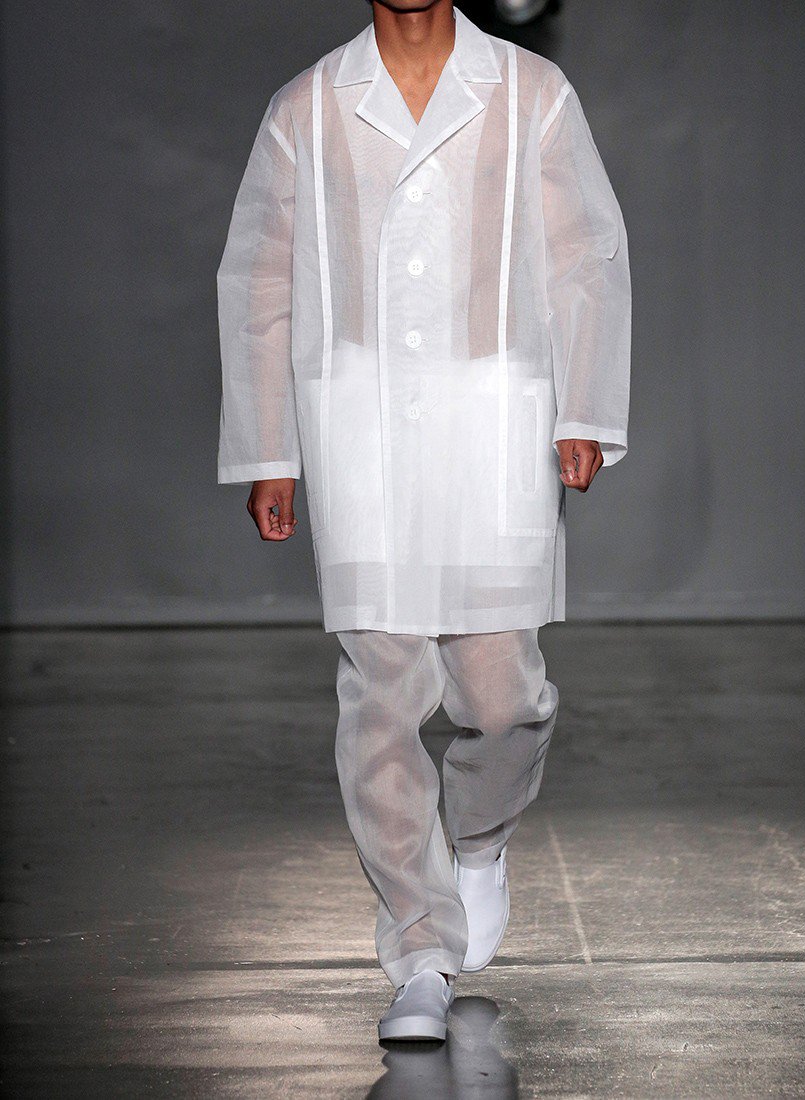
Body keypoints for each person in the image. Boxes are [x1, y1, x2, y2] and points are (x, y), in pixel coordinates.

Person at [216, 0, 630, 1043]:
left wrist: (584, 407)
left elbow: (584, 253)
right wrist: (269, 448)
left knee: (504, 697)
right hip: (361, 431)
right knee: (381, 695)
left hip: (493, 421)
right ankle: (418, 950)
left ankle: (480, 839)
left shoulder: (531, 92)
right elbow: (260, 278)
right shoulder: (309, 105)